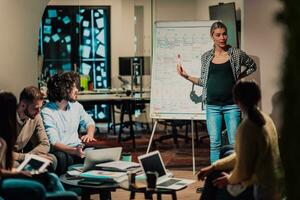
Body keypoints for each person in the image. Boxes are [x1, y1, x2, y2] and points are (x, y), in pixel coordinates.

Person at [177, 21, 256, 163]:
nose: (222, 38)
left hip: (232, 105)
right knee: (215, 144)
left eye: (224, 34)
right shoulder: (206, 57)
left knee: (234, 144)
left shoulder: (236, 54)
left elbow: (252, 66)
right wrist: (186, 76)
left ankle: (233, 179)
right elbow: (203, 81)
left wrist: (239, 76)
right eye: (218, 35)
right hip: (212, 106)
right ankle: (214, 178)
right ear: (212, 36)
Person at [197, 80, 282, 200]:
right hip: (273, 181)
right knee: (226, 151)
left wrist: (229, 179)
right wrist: (214, 166)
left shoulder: (247, 127)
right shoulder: (267, 119)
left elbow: (243, 171)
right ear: (258, 98)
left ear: (236, 100)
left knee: (213, 180)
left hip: (259, 187)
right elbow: (242, 155)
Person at [0, 91, 77, 200]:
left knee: (51, 177)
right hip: (4, 179)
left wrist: (29, 161)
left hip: (9, 170)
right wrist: (20, 173)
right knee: (39, 187)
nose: (39, 111)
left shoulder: (6, 136)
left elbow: (45, 143)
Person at [41, 71, 96, 175]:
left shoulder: (76, 106)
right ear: (63, 90)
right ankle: (67, 189)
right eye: (73, 87)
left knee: (100, 155)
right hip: (61, 150)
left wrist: (89, 134)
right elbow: (54, 142)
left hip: (77, 147)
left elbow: (90, 122)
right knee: (63, 158)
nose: (77, 90)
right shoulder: (47, 112)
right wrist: (74, 151)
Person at [14, 86, 56, 170]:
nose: (39, 111)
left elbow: (45, 144)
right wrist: (27, 157)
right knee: (15, 165)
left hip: (22, 155)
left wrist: (30, 157)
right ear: (23, 105)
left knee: (52, 159)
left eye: (40, 107)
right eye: (36, 108)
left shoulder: (36, 116)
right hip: (6, 158)